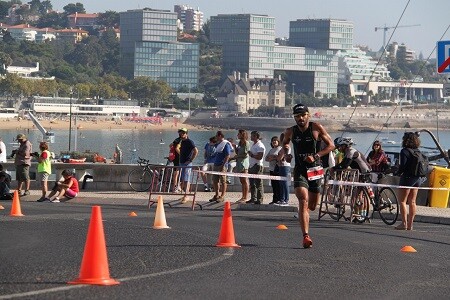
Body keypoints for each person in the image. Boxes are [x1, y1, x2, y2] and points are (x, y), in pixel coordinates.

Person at [282, 103, 334, 248]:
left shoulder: (316, 128)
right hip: (300, 169)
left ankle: (305, 216)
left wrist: (316, 155)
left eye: (303, 115)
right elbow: (285, 143)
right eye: (297, 116)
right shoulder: (290, 131)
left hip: (315, 169)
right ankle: (305, 236)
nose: (300, 118)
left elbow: (331, 145)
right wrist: (287, 154)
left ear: (308, 116)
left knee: (312, 205)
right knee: (303, 201)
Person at [395, 132, 424, 231]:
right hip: (417, 178)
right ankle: (410, 225)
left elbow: (403, 166)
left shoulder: (404, 151)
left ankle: (404, 223)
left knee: (402, 201)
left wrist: (398, 172)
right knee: (412, 201)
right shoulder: (418, 151)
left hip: (407, 178)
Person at [209, 131, 232, 203]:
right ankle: (216, 195)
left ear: (220, 136)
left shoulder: (226, 144)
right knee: (215, 180)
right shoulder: (219, 144)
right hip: (216, 164)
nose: (216, 137)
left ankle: (222, 196)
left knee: (223, 181)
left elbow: (227, 155)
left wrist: (223, 165)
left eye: (217, 136)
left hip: (222, 165)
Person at [178, 127, 198, 204]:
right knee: (183, 180)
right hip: (181, 162)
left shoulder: (190, 141)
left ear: (186, 134)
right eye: (180, 133)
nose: (181, 134)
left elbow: (196, 151)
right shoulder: (182, 142)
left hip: (187, 163)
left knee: (186, 180)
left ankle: (186, 196)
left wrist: (190, 160)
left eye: (183, 133)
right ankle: (185, 194)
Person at [230, 129, 250, 203]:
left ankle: (246, 196)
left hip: (243, 163)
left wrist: (237, 157)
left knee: (244, 180)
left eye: (239, 134)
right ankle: (243, 196)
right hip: (239, 163)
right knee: (241, 181)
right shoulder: (240, 143)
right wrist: (235, 147)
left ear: (242, 135)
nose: (237, 135)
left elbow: (245, 154)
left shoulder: (246, 143)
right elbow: (238, 152)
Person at [246, 131, 266, 205]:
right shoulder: (253, 144)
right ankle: (253, 198)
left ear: (256, 136)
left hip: (257, 165)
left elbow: (260, 157)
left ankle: (259, 199)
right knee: (252, 184)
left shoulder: (260, 145)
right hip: (251, 165)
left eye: (252, 136)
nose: (251, 137)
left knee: (258, 183)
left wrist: (251, 155)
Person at [275, 132, 292, 206]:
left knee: (284, 183)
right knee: (281, 183)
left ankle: (286, 200)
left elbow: (280, 157)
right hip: (281, 166)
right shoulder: (283, 147)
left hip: (285, 166)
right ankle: (282, 199)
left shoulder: (286, 146)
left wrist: (276, 158)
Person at [265, 136, 282, 205]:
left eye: (275, 140)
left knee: (278, 185)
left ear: (278, 142)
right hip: (271, 169)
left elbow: (280, 158)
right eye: (273, 141)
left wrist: (273, 157)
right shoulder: (271, 150)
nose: (274, 142)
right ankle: (274, 199)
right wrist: (271, 158)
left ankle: (279, 199)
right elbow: (266, 158)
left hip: (278, 169)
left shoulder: (280, 149)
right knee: (274, 185)